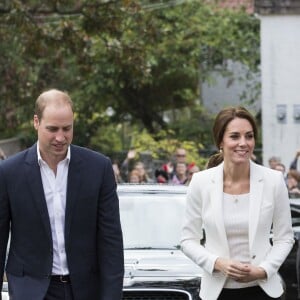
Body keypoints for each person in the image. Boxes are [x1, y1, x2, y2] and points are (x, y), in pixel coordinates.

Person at [0, 89, 124, 300]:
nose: (60, 137)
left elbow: (111, 240)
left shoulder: (98, 168)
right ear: (36, 122)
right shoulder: (9, 172)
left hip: (85, 289)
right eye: (53, 129)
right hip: (31, 290)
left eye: (67, 128)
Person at [181, 106, 294, 300]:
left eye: (249, 136)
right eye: (234, 136)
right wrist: (217, 262)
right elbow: (188, 240)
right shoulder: (200, 182)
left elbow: (284, 238)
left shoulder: (273, 180)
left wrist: (263, 270)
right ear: (220, 142)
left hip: (264, 291)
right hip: (216, 292)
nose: (243, 143)